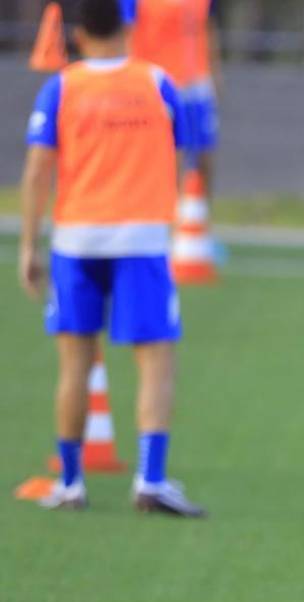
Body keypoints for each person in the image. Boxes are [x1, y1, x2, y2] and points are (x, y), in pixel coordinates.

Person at [19, 0, 206, 517]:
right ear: (129, 22)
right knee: (155, 359)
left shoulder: (62, 87)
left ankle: (72, 483)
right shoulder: (157, 83)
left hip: (76, 240)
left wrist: (29, 244)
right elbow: (179, 153)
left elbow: (38, 169)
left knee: (75, 362)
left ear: (75, 31)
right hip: (141, 239)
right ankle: (150, 479)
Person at [122, 0, 221, 197]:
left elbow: (209, 26)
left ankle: (199, 214)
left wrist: (215, 73)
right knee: (163, 156)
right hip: (158, 85)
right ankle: (164, 208)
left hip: (196, 83)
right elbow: (127, 34)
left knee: (204, 154)